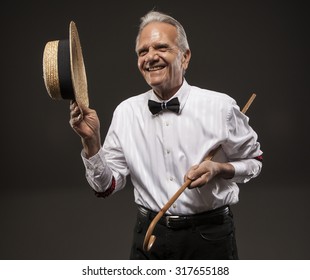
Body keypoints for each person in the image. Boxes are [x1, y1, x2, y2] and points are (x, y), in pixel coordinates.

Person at [69, 10, 263, 260]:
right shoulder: (125, 112)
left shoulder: (221, 107)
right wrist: (91, 141)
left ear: (185, 57)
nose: (150, 57)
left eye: (161, 47)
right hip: (150, 236)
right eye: (143, 51)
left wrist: (219, 169)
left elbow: (255, 162)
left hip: (210, 237)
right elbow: (106, 186)